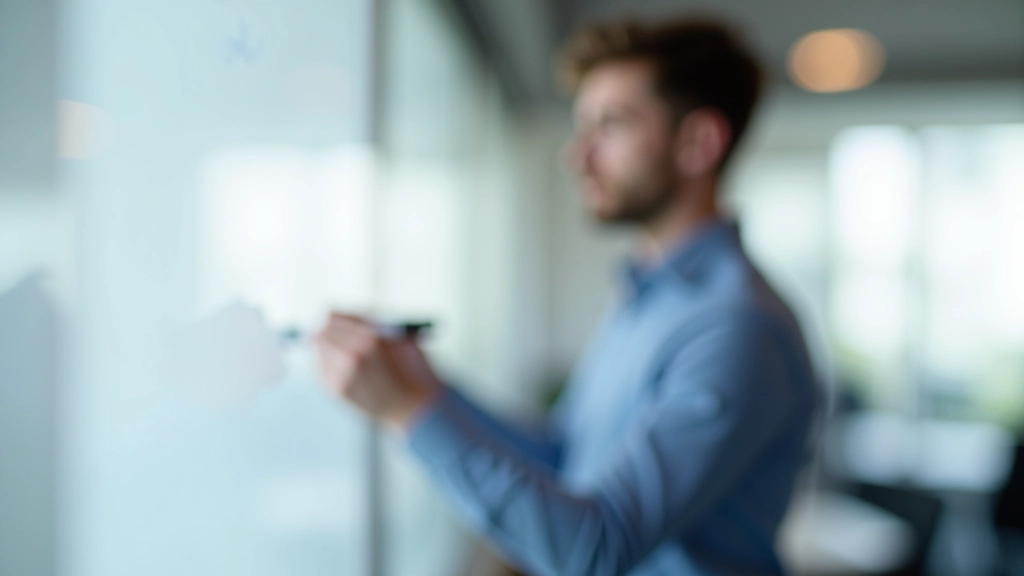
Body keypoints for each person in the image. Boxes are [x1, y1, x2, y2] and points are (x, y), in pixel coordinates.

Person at [316, 17, 819, 576]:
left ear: (698, 142)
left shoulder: (736, 326)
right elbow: (567, 458)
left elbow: (597, 551)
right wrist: (425, 386)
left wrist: (407, 411)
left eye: (611, 126)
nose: (577, 156)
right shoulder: (651, 299)